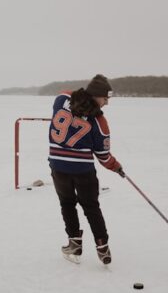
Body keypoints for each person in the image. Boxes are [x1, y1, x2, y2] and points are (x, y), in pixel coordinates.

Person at [48, 74, 124, 265]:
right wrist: (116, 166)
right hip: (83, 170)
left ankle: (74, 243)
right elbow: (103, 155)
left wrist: (82, 101)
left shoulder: (61, 99)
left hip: (58, 167)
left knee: (67, 204)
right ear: (96, 95)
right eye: (105, 98)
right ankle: (103, 247)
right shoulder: (99, 121)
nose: (106, 103)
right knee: (91, 207)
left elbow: (68, 94)